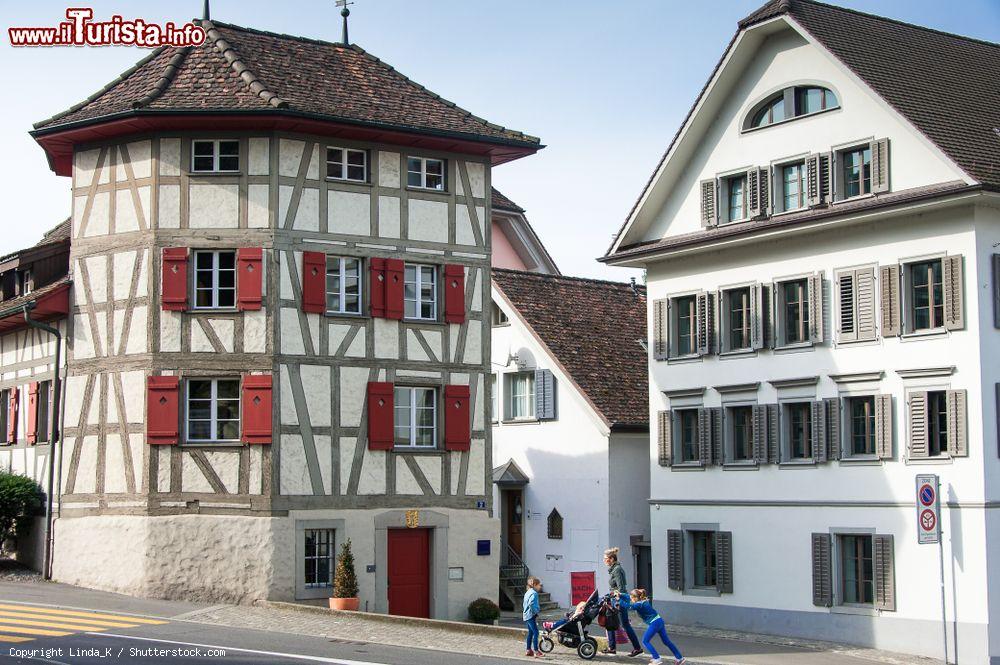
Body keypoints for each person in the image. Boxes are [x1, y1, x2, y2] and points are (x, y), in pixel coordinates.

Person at [616, 588, 685, 665]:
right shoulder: (643, 601)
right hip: (659, 621)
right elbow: (628, 596)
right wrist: (621, 594)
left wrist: (619, 600)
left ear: (635, 598)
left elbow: (628, 606)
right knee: (666, 641)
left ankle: (656, 658)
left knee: (645, 641)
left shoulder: (639, 605)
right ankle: (679, 658)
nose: (631, 599)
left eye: (632, 598)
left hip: (654, 623)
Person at [601, 547, 643, 656]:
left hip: (618, 601)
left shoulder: (617, 570)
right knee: (611, 622)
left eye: (605, 558)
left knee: (620, 624)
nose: (604, 560)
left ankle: (636, 648)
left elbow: (621, 588)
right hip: (615, 600)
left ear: (611, 559)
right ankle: (613, 648)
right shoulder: (614, 569)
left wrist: (617, 601)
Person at [523, 576, 545, 659]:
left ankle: (528, 650)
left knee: (530, 633)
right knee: (536, 632)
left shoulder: (528, 592)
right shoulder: (534, 593)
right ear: (535, 585)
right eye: (539, 585)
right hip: (530, 615)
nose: (540, 587)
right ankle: (536, 651)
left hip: (526, 615)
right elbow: (531, 604)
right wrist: (535, 611)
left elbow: (525, 603)